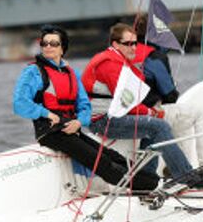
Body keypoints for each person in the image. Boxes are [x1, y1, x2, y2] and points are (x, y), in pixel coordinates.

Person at [13, 24, 159, 190]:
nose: (48, 47)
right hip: (51, 132)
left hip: (72, 128)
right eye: (44, 44)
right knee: (102, 162)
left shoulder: (71, 73)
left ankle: (155, 180)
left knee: (112, 155)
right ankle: (148, 186)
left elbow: (84, 105)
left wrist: (78, 122)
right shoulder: (33, 72)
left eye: (53, 44)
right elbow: (19, 103)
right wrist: (46, 113)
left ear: (62, 48)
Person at [81, 23, 193, 179]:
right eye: (127, 44)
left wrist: (150, 113)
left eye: (135, 43)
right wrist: (150, 112)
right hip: (102, 121)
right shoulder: (109, 64)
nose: (133, 47)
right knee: (159, 127)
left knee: (152, 128)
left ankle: (147, 179)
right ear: (115, 44)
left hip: (112, 115)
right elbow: (125, 101)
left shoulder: (118, 60)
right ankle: (186, 176)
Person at [133, 15, 203, 167]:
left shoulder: (128, 52)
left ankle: (178, 167)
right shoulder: (155, 57)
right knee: (200, 112)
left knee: (182, 119)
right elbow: (169, 95)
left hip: (131, 112)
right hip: (149, 112)